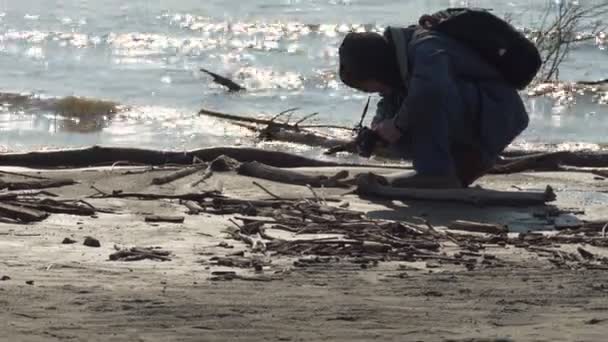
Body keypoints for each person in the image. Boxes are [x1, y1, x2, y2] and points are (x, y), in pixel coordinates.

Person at [338, 19, 530, 189]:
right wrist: (376, 132)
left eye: (365, 88)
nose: (370, 92)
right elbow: (390, 102)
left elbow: (431, 90)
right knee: (401, 120)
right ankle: (453, 170)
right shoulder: (397, 66)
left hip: (499, 111)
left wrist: (397, 125)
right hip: (475, 115)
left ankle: (436, 174)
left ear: (376, 70)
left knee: (424, 98)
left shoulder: (425, 47)